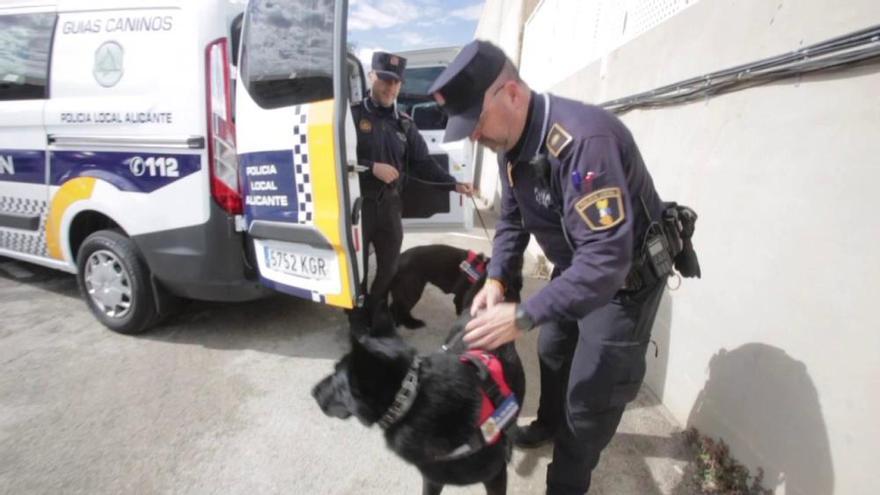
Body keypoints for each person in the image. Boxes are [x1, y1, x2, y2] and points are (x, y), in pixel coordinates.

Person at [428, 40, 673, 494]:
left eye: (476, 122)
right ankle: (547, 423)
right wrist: (498, 278)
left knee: (587, 405)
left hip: (622, 283)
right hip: (575, 267)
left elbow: (606, 261)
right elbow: (513, 219)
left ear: (513, 94)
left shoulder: (584, 143)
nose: (474, 137)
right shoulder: (513, 148)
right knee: (553, 350)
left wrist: (523, 314)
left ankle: (566, 478)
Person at [352, 51, 474, 321]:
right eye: (384, 79)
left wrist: (455, 185)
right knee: (356, 270)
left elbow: (424, 164)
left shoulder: (405, 125)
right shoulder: (352, 117)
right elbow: (335, 158)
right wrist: (371, 167)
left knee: (388, 269)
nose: (390, 87)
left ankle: (375, 312)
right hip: (358, 207)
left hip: (390, 207)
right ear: (372, 76)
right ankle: (357, 320)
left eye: (395, 82)